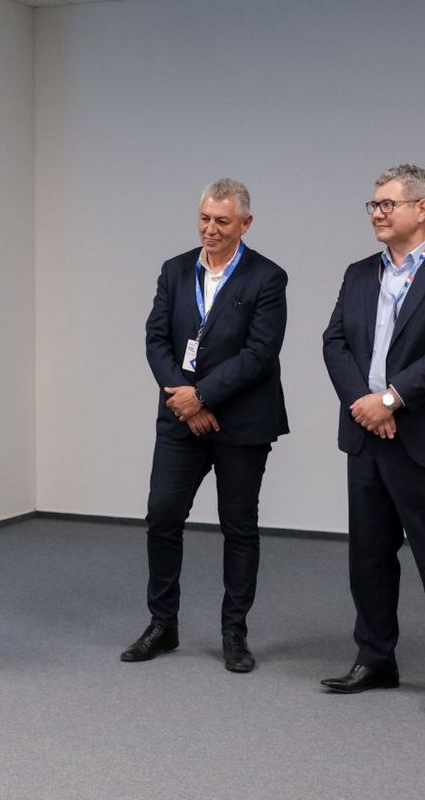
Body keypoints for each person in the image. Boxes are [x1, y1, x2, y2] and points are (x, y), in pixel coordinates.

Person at [320, 165, 425, 712]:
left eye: (387, 204)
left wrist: (391, 400)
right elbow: (334, 343)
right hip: (366, 433)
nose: (376, 213)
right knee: (368, 556)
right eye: (373, 204)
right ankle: (375, 659)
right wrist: (364, 404)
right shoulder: (358, 274)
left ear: (422, 208)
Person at [121, 178, 288, 673]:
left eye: (222, 221)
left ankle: (234, 633)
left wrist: (204, 395)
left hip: (242, 422)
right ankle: (162, 624)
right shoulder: (175, 271)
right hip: (181, 417)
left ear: (245, 224)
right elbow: (156, 339)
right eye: (204, 219)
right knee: (162, 517)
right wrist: (186, 400)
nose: (210, 229)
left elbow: (260, 353)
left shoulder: (268, 277)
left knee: (239, 526)